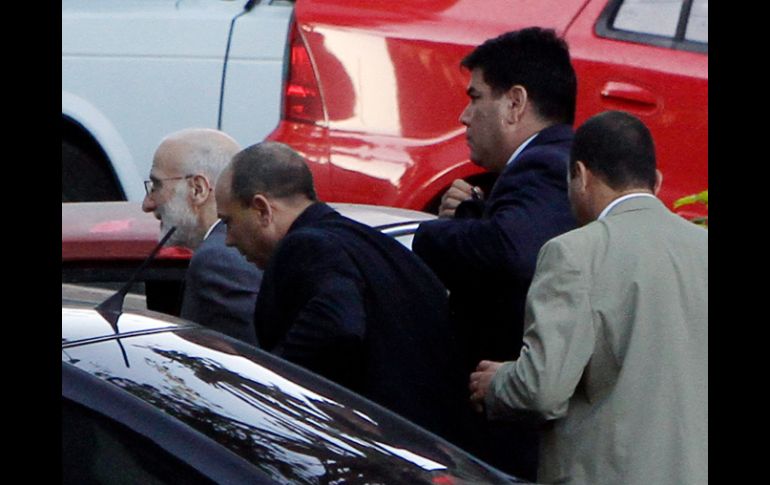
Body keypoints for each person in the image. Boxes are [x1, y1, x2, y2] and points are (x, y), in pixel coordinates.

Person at [469, 111, 708, 485]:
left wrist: (498, 383)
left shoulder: (575, 252)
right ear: (657, 181)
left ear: (580, 176)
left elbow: (542, 389)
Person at [215, 141, 472, 445]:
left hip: (392, 448)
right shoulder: (367, 242)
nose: (229, 239)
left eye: (229, 221)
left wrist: (271, 384)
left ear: (262, 209)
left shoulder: (305, 246)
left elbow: (337, 324)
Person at [411, 27, 578, 478]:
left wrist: (437, 232)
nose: (464, 116)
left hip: (514, 434)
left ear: (515, 103)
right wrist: (476, 214)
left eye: (475, 97)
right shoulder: (547, 164)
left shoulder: (544, 165)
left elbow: (514, 251)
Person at [142, 128, 263, 345]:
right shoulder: (243, 247)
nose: (147, 204)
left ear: (198, 189)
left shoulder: (217, 260)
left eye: (157, 186)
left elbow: (249, 358)